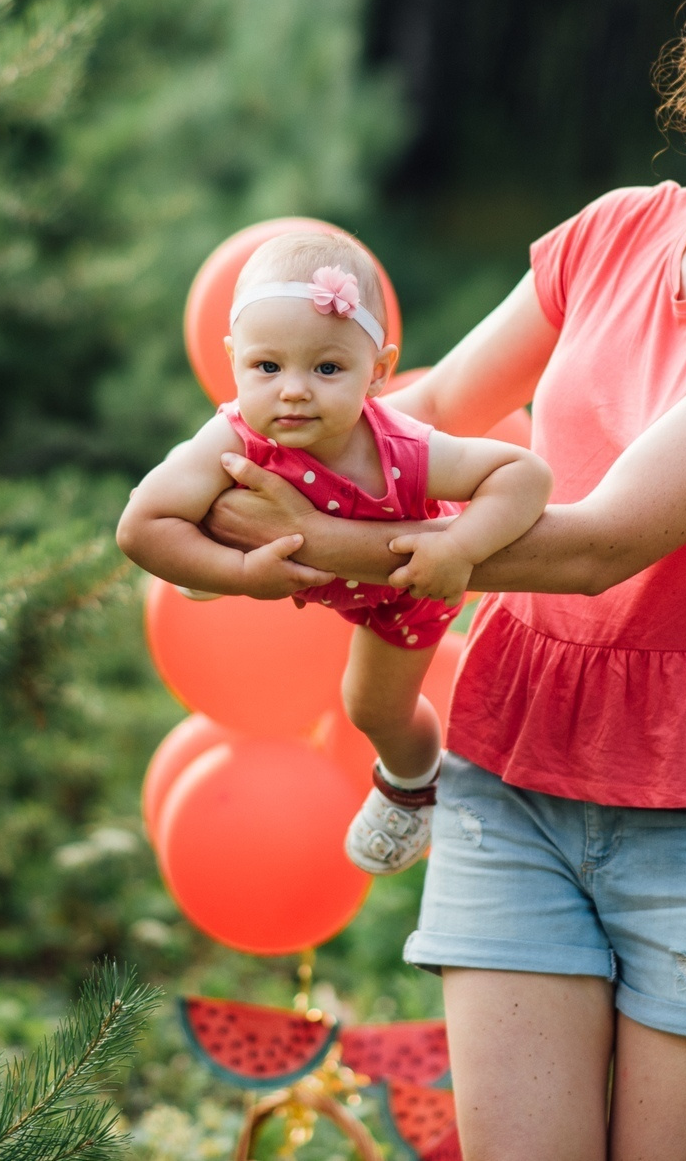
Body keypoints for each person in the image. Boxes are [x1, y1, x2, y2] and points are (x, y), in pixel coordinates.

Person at [203, 0, 686, 1160]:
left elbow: (604, 541)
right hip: (516, 763)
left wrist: (331, 539)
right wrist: (244, 454)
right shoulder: (609, 233)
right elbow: (441, 400)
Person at [117, 230, 554, 874]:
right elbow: (139, 525)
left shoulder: (401, 449)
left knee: (370, 706)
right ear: (236, 362)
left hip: (404, 591)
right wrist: (237, 572)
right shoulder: (235, 431)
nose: (293, 391)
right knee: (190, 516)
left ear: (377, 372)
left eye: (327, 369)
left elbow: (525, 476)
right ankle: (211, 553)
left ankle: (413, 784)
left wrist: (459, 547)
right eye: (267, 368)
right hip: (294, 565)